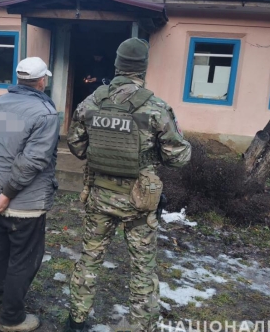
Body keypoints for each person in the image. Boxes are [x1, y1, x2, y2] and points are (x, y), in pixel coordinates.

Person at [64, 38, 192, 332]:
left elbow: (76, 145)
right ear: (143, 68)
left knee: (90, 257)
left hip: (99, 193)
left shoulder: (92, 101)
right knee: (142, 267)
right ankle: (141, 325)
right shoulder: (157, 107)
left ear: (117, 65)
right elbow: (178, 158)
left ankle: (76, 320)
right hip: (139, 201)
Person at [0, 57, 60, 332]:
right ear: (42, 80)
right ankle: (11, 318)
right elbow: (33, 160)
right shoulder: (45, 113)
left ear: (19, 78)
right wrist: (9, 193)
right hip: (25, 203)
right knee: (24, 258)